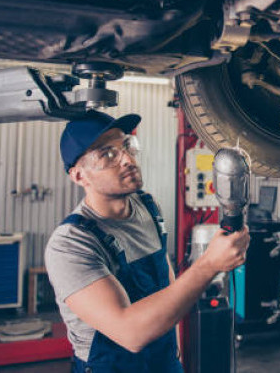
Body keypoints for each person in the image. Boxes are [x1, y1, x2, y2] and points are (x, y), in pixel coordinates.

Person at [45, 111, 249, 373]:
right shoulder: (71, 244)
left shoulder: (146, 206)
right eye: (107, 154)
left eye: (127, 146)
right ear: (79, 176)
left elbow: (165, 276)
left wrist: (174, 350)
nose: (128, 160)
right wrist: (208, 265)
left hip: (164, 362)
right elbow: (130, 332)